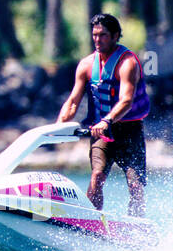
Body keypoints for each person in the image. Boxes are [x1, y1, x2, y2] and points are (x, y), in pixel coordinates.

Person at [56, 13, 151, 216]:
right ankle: (90, 221)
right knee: (97, 176)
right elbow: (73, 102)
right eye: (95, 35)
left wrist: (107, 120)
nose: (98, 40)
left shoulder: (128, 63)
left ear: (116, 36)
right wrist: (58, 126)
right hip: (103, 133)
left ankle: (137, 228)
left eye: (104, 35)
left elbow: (126, 100)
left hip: (129, 130)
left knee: (135, 187)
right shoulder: (86, 65)